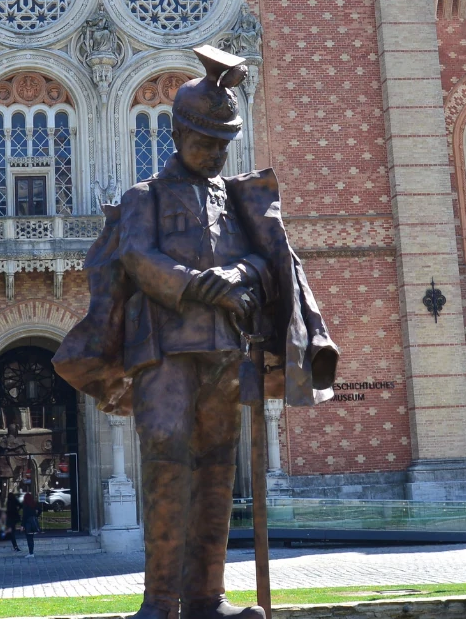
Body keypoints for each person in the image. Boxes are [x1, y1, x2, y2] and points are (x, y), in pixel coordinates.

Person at [55, 44, 338, 619]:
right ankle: (159, 601)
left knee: (216, 467)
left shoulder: (238, 203)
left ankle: (209, 598)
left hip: (226, 352)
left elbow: (264, 260)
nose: (213, 153)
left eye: (222, 144)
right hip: (163, 350)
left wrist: (241, 274)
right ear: (178, 134)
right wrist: (210, 286)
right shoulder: (145, 198)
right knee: (165, 457)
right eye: (204, 141)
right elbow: (139, 259)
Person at [21, 490, 41, 557]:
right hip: (33, 522)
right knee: (31, 538)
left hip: (28, 524)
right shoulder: (34, 504)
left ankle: (31, 553)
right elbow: (40, 510)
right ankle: (31, 552)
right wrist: (36, 516)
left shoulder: (25, 505)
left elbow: (24, 516)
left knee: (29, 538)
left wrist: (22, 525)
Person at [4, 488, 23, 552]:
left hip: (10, 519)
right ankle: (15, 546)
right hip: (14, 518)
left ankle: (15, 546)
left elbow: (7, 511)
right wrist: (17, 510)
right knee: (12, 531)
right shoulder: (14, 501)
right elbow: (21, 505)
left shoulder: (8, 503)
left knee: (11, 532)